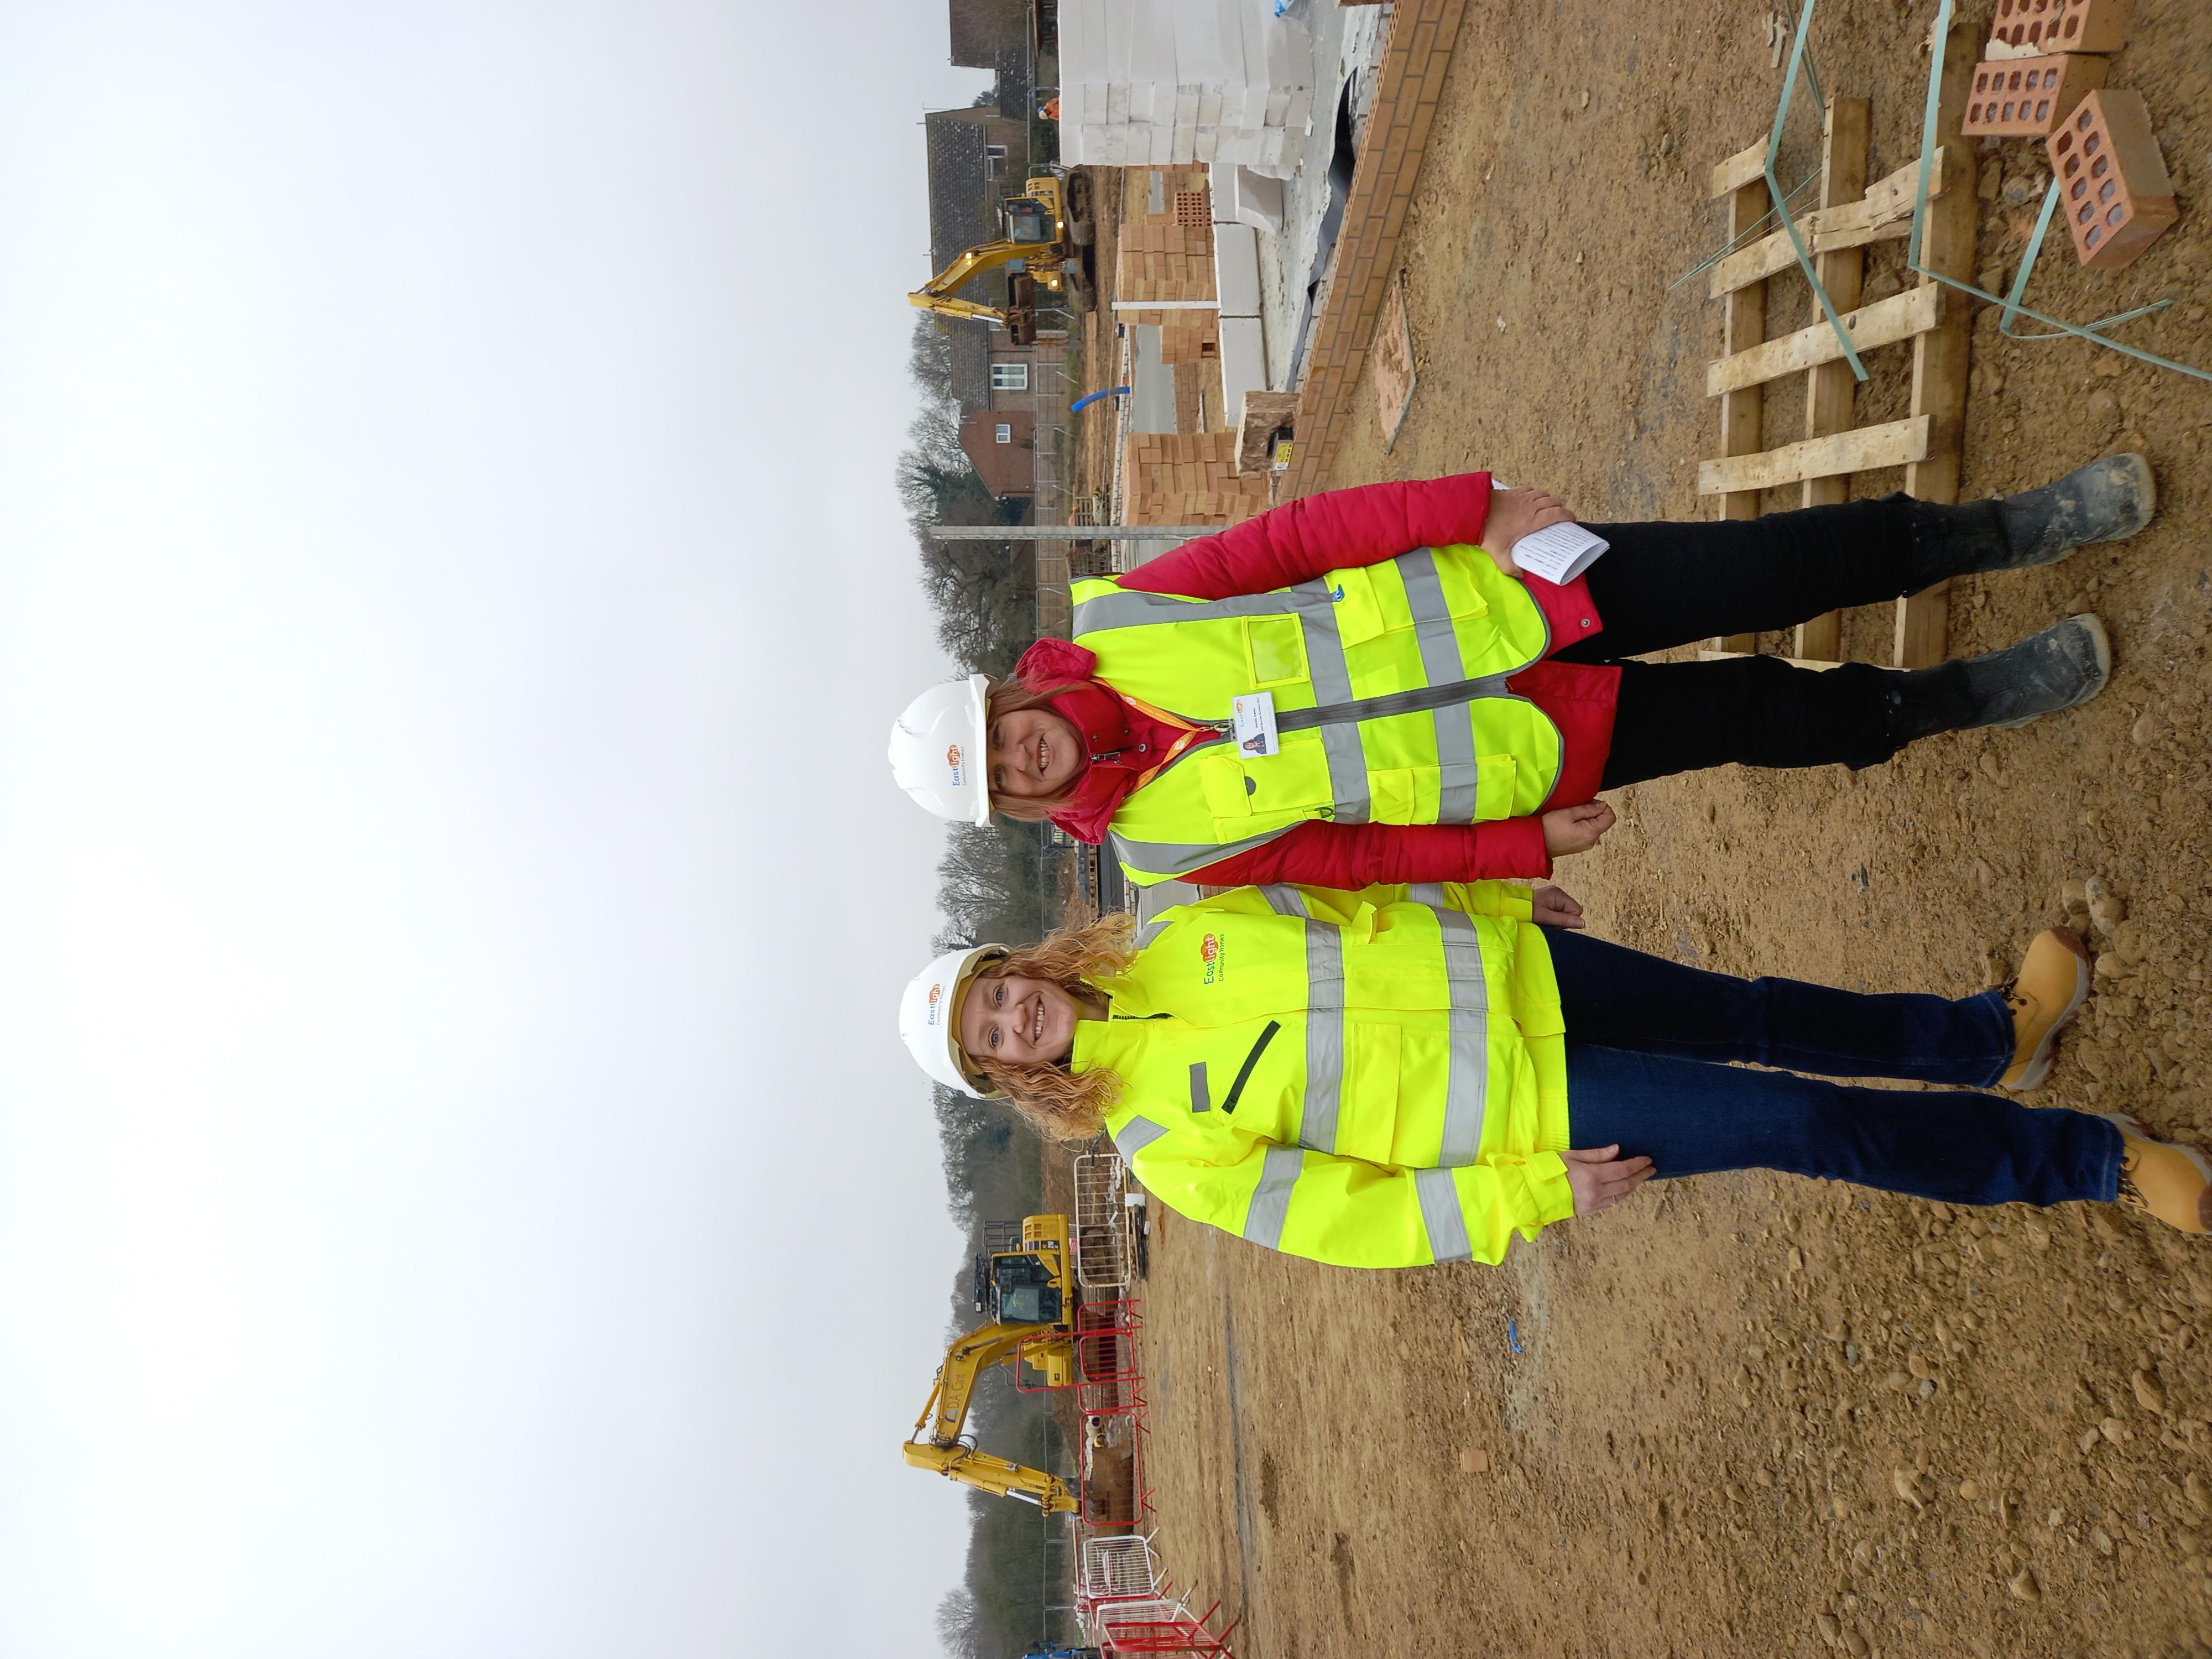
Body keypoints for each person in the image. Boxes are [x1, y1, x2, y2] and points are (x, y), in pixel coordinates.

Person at [887, 457, 2154, 888]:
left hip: (1521, 593)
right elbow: (1351, 859)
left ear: (1006, 697)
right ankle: (1964, 697)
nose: (1022, 758)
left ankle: (2013, 527)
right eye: (1003, 783)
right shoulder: (1158, 850)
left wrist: (1475, 509)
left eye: (1000, 735)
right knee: (1761, 712)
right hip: (1522, 755)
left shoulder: (1126, 618)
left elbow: (1294, 539)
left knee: (1769, 566)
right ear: (1017, 807)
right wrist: (1517, 845)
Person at [895, 880, 2211, 1267]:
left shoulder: (1177, 927)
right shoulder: (1159, 1148)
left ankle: (1989, 1038)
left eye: (997, 994)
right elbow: (1355, 1220)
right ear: (1009, 1078)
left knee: (1756, 1009)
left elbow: (1354, 903)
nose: (1015, 1019)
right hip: (1544, 1113)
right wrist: (1525, 1193)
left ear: (1017, 966)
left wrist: (1488, 891)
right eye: (995, 1040)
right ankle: (2095, 1161)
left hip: (1528, 980)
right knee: (1798, 1123)